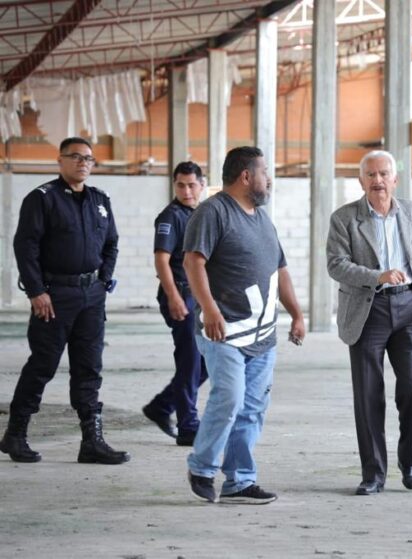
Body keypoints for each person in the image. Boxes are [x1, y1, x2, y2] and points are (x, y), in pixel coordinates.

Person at [184, 146, 305, 504]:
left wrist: (296, 313)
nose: (270, 179)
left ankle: (238, 481)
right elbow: (193, 262)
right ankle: (202, 467)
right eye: (265, 172)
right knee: (230, 398)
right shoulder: (213, 212)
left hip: (263, 336)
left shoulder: (262, 219)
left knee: (252, 410)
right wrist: (209, 309)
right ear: (246, 176)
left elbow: (280, 270)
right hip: (225, 332)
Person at [0, 136, 129, 465]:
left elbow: (111, 243)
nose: (83, 163)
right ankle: (15, 434)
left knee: (89, 367)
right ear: (60, 161)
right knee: (43, 365)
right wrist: (36, 291)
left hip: (92, 297)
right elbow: (25, 246)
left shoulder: (100, 200)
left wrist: (103, 280)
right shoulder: (43, 199)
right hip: (55, 296)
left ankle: (91, 442)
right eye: (76, 157)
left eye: (89, 158)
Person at [326, 150, 412, 495]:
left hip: (408, 307)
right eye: (370, 175)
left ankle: (409, 462)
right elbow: (336, 264)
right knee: (369, 394)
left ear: (395, 179)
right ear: (361, 181)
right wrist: (378, 276)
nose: (378, 180)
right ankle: (373, 474)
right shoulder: (344, 218)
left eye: (384, 174)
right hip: (367, 310)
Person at [142, 162, 209, 446]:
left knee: (206, 362)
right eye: (181, 185)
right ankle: (188, 427)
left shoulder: (201, 213)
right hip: (181, 293)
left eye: (192, 185)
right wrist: (174, 296)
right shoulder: (170, 216)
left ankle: (162, 406)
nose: (186, 190)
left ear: (202, 185)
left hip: (201, 297)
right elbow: (161, 260)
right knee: (190, 360)